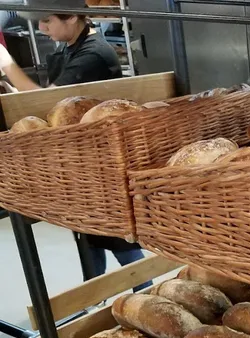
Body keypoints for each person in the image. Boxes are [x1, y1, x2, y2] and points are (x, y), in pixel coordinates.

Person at [0, 0, 150, 290]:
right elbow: (55, 110)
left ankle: (144, 289)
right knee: (86, 232)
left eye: (47, 21)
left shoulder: (93, 54)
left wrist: (7, 64)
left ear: (71, 18)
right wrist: (15, 92)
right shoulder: (68, 48)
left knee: (116, 236)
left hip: (104, 166)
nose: (42, 28)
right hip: (82, 164)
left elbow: (51, 100)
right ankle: (91, 294)